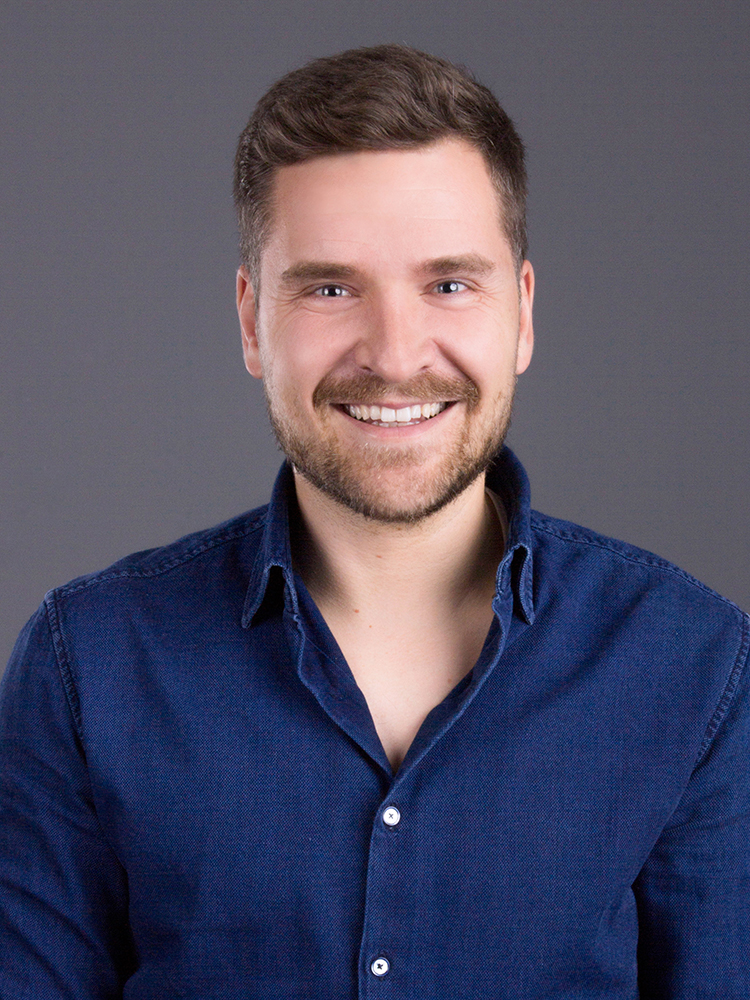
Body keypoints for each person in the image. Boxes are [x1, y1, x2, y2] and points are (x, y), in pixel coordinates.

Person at [1, 43, 748, 999]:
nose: (396, 357)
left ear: (521, 314)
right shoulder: (89, 664)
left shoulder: (695, 666)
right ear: (251, 321)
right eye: (330, 287)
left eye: (449, 284)